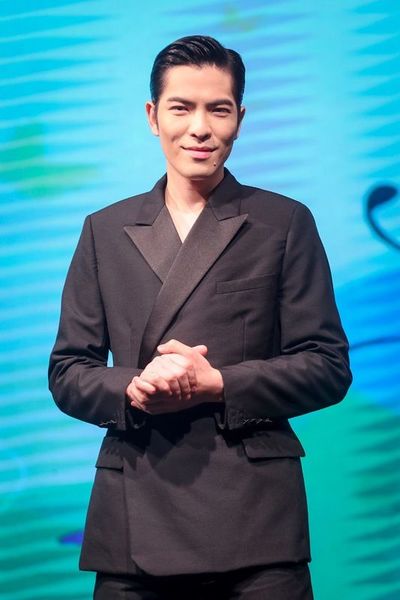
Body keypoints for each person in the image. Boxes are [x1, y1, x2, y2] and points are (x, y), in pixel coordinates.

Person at [49, 35, 352, 599]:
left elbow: (327, 366)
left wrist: (220, 384)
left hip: (256, 522)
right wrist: (135, 387)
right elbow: (68, 371)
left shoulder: (283, 222)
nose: (200, 128)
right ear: (152, 116)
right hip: (137, 510)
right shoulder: (104, 231)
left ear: (240, 118)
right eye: (181, 108)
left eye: (218, 109)